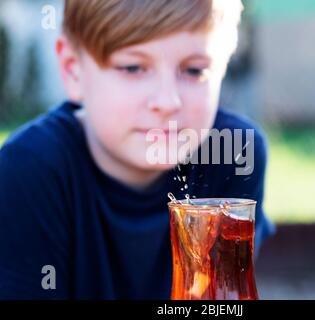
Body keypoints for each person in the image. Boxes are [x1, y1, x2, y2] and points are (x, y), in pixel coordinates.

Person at [0, 0, 275, 299]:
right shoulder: (31, 169)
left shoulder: (234, 154)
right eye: (133, 68)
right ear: (73, 69)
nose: (168, 101)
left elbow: (219, 299)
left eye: (194, 71)